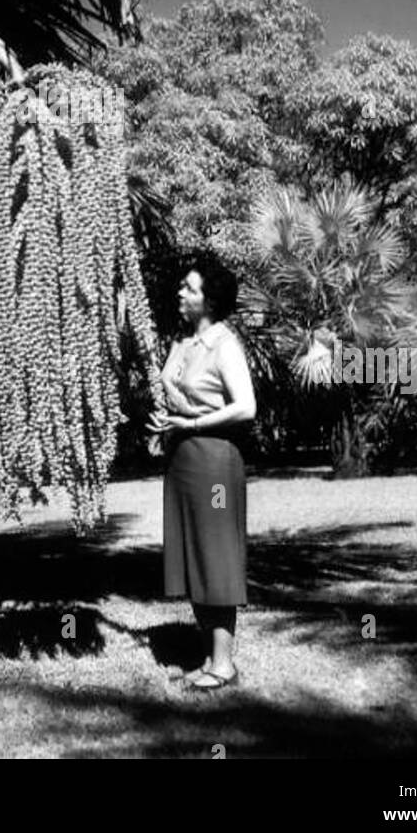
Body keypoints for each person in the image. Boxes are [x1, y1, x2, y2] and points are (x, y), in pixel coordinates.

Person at [147, 257, 256, 692]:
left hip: (213, 466)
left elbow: (246, 407)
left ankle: (225, 665)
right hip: (182, 463)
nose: (180, 293)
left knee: (216, 555)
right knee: (193, 554)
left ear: (209, 299)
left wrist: (192, 424)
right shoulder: (182, 344)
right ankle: (209, 656)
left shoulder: (223, 344)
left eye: (189, 289)